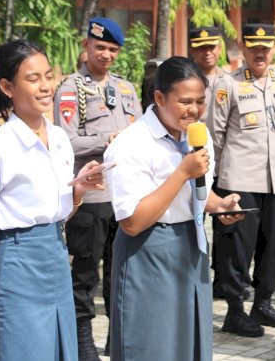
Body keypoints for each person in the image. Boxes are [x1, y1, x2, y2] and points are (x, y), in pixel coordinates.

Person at [0, 40, 102, 360]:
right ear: (7, 87)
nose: (45, 86)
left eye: (48, 76)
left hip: (55, 258)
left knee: (58, 350)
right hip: (15, 267)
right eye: (33, 78)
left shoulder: (61, 139)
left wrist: (79, 191)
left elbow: (58, 214)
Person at [104, 56, 244, 361]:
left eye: (200, 102)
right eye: (185, 102)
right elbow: (132, 221)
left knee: (189, 345)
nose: (194, 110)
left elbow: (198, 192)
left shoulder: (198, 135)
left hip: (191, 249)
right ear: (159, 97)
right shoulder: (132, 144)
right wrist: (181, 172)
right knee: (151, 346)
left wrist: (221, 205)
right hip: (148, 252)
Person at [54, 17, 142, 358]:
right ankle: (83, 341)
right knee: (85, 274)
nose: (106, 55)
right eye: (100, 47)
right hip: (89, 197)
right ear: (86, 46)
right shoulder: (70, 88)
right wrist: (106, 139)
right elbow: (67, 141)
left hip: (123, 196)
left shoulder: (126, 88)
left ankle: (117, 338)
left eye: (112, 49)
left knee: (121, 274)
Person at [209, 23, 275, 337]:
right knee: (237, 250)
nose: (260, 52)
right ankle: (235, 310)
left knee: (271, 246)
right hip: (239, 180)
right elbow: (214, 136)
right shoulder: (227, 85)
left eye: (266, 47)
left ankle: (263, 303)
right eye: (254, 47)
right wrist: (218, 181)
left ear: (274, 48)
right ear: (242, 48)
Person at [188, 26, 228, 123]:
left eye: (211, 47)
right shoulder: (185, 81)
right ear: (192, 50)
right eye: (202, 48)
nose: (207, 52)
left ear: (219, 49)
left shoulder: (230, 80)